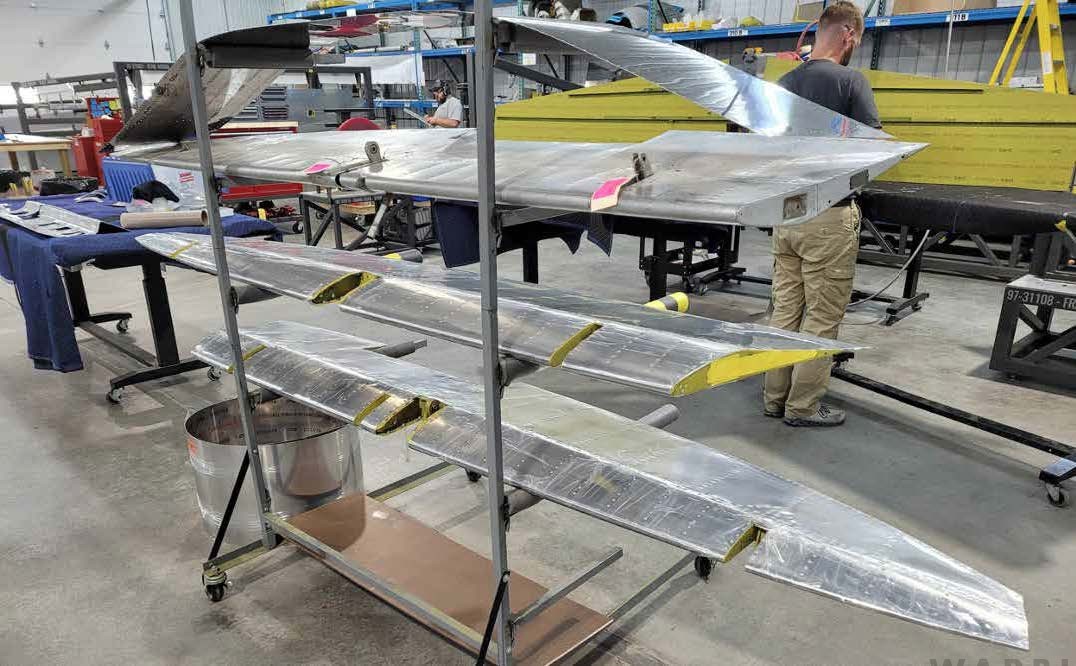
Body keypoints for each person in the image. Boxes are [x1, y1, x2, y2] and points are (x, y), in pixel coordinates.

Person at [762, 0, 881, 428]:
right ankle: (803, 407)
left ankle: (774, 398)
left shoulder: (785, 82)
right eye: (857, 40)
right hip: (828, 217)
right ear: (848, 34)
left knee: (784, 312)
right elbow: (873, 147)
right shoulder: (851, 82)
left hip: (786, 214)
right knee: (821, 317)